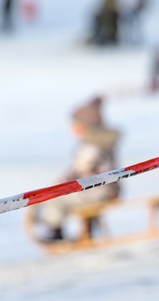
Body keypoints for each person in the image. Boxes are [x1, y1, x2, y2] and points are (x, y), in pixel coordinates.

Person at [37, 96, 121, 242]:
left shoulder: (92, 146)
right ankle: (86, 230)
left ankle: (55, 230)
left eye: (74, 124)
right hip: (105, 188)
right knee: (62, 195)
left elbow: (80, 169)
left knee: (56, 200)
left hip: (98, 190)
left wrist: (58, 185)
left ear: (83, 126)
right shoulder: (95, 142)